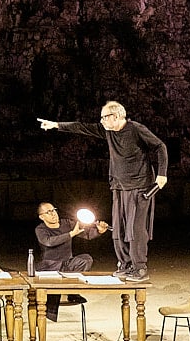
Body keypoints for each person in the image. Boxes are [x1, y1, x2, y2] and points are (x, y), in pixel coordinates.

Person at [39, 101, 168, 282]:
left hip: (139, 187)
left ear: (115, 116)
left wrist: (162, 174)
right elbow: (82, 127)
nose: (101, 121)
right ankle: (125, 264)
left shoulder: (136, 129)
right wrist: (57, 125)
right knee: (119, 229)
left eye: (104, 117)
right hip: (118, 187)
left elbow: (160, 146)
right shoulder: (108, 132)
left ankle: (139, 268)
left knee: (136, 229)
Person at [34, 200, 108, 319]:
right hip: (50, 266)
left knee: (86, 259)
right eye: (48, 212)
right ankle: (50, 310)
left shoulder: (67, 223)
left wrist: (98, 230)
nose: (53, 214)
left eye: (54, 210)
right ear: (42, 217)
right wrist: (70, 234)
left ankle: (72, 291)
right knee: (52, 283)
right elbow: (49, 242)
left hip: (67, 265)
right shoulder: (40, 229)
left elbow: (87, 234)